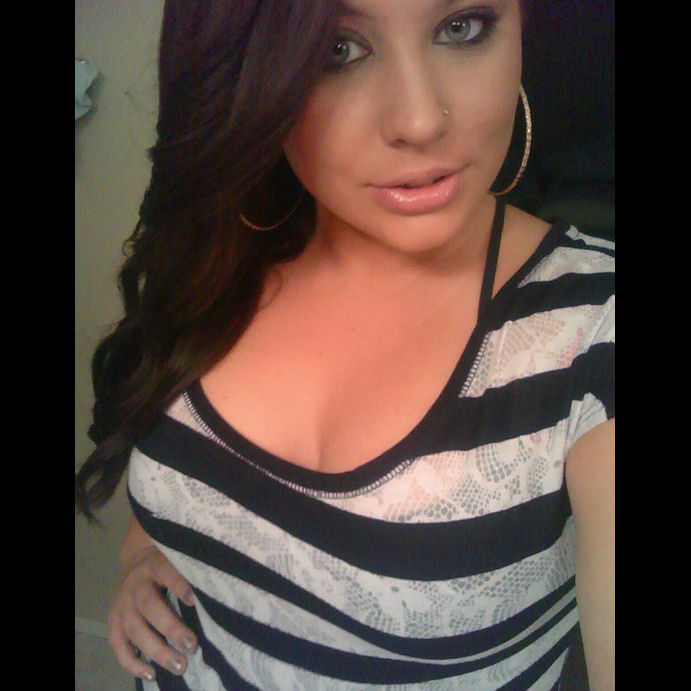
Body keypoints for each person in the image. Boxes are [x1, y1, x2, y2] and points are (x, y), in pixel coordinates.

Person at [75, 0, 614, 689]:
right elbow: (169, 480)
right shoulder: (220, 251)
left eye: (462, 28)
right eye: (336, 50)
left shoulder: (591, 330)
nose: (420, 120)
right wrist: (149, 556)